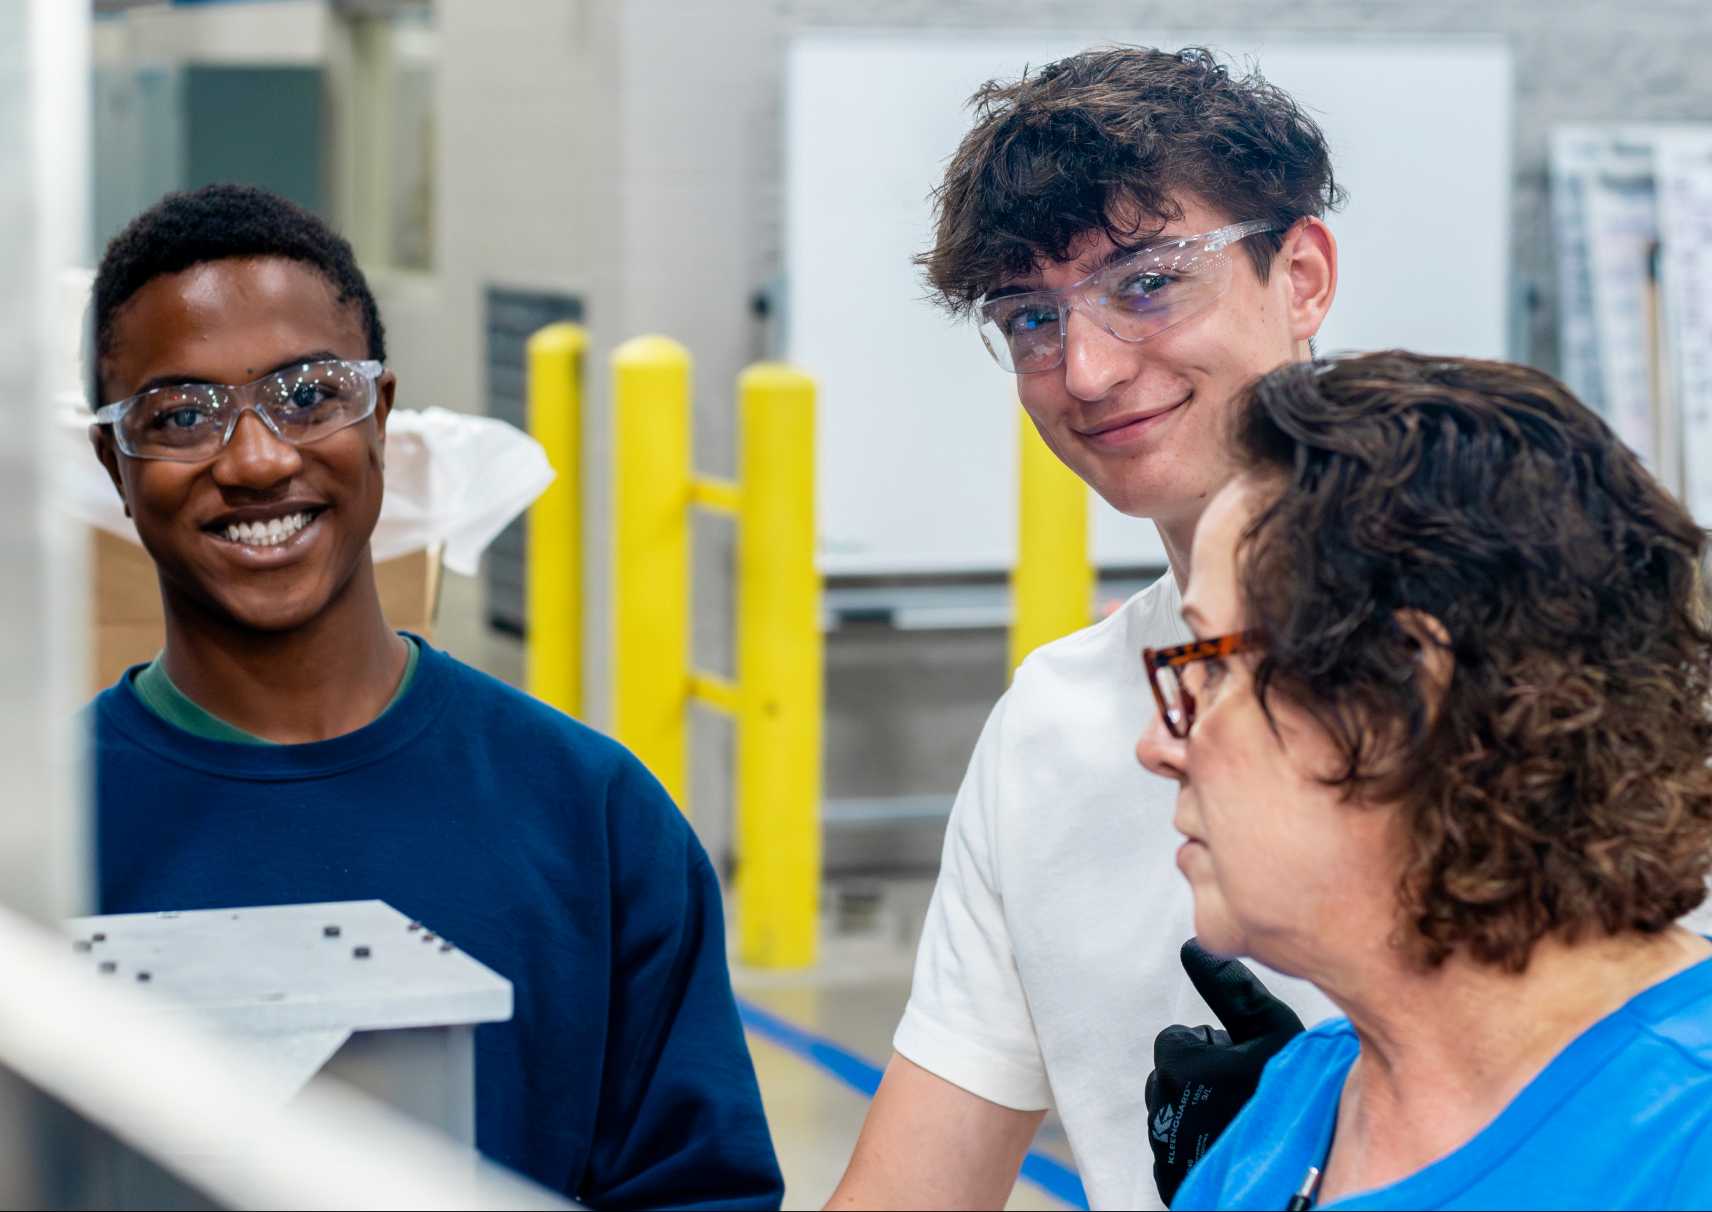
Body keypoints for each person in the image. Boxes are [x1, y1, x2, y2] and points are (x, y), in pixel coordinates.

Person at [85, 183, 783, 1210]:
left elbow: (695, 1190)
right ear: (114, 462)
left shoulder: (590, 819)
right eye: (180, 415)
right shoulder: (40, 831)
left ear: (381, 415)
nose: (258, 458)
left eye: (308, 394)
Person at [829, 46, 1343, 1210]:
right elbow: (916, 1184)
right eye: (1028, 319)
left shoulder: (1534, 662)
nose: (1089, 370)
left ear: (1299, 274)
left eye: (1149, 281)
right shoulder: (1052, 729)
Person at [1139, 351, 1712, 1209]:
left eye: (1212, 669)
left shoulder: (1684, 1138)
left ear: (1402, 692)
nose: (1158, 743)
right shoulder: (1295, 1108)